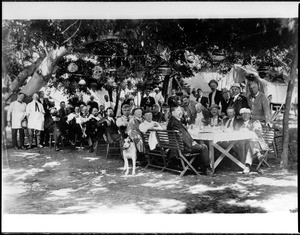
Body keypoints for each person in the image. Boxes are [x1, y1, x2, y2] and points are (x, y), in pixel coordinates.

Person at [167, 105, 211, 175]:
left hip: (178, 147)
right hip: (183, 148)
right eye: (178, 110)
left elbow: (182, 135)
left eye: (180, 110)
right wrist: (191, 143)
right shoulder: (175, 123)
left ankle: (198, 166)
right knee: (204, 147)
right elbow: (182, 136)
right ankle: (206, 168)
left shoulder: (173, 121)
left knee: (198, 143)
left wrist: (192, 141)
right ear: (172, 113)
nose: (181, 112)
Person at [237, 108, 267, 174]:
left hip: (258, 143)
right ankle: (258, 155)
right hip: (244, 143)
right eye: (243, 114)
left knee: (251, 143)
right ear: (241, 116)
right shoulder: (240, 124)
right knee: (249, 144)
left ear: (250, 115)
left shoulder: (255, 122)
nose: (245, 116)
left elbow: (258, 134)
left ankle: (247, 166)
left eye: (247, 114)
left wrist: (250, 131)